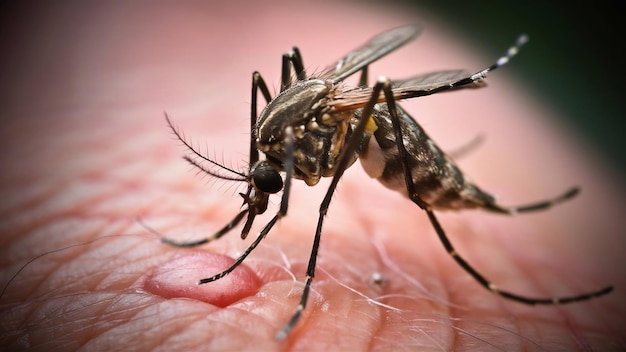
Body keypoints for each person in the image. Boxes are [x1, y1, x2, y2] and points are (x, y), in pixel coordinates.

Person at [1, 1, 623, 350]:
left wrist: (279, 210)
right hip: (344, 115)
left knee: (348, 147)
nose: (263, 186)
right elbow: (272, 147)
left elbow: (318, 167)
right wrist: (257, 185)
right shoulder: (275, 137)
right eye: (261, 183)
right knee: (283, 93)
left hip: (388, 136)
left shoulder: (297, 139)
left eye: (262, 183)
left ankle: (467, 258)